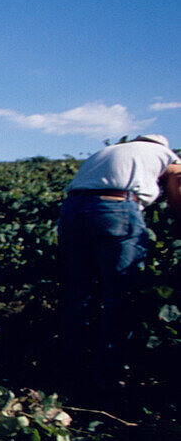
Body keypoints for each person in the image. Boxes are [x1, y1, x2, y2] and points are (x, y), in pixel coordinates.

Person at [58, 134, 181, 385]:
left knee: (77, 293)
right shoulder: (167, 156)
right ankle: (107, 375)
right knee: (120, 297)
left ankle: (68, 365)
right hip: (115, 208)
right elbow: (176, 184)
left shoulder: (111, 152)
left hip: (71, 211)